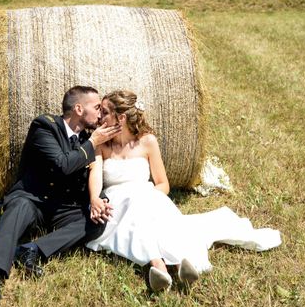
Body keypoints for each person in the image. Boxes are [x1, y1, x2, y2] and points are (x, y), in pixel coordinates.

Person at [86, 90, 282, 292]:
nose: (100, 116)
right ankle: (160, 265)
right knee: (138, 208)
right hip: (118, 204)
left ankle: (179, 267)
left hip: (148, 197)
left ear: (122, 117)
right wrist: (94, 198)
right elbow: (96, 175)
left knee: (155, 214)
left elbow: (163, 183)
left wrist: (149, 197)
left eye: (105, 112)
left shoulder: (148, 142)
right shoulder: (101, 145)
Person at [0, 85, 122, 305]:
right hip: (32, 199)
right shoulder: (45, 126)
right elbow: (62, 165)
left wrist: (97, 200)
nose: (100, 113)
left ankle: (31, 250)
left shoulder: (86, 139)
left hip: (61, 207)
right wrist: (92, 144)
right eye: (96, 107)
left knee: (96, 222)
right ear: (79, 109)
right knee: (17, 209)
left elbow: (89, 175)